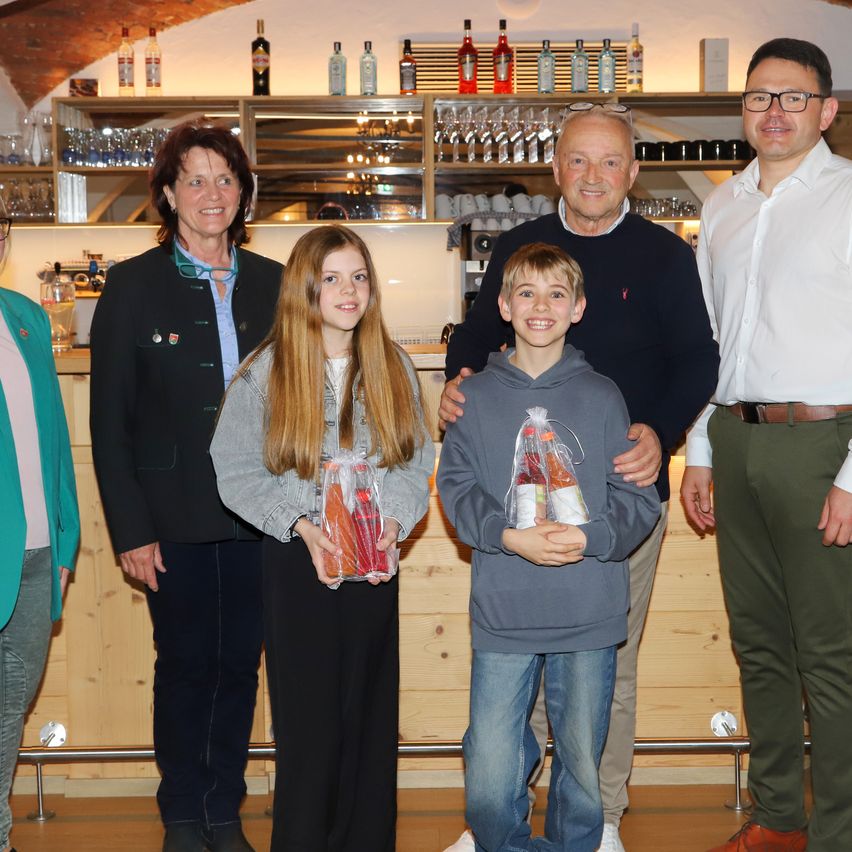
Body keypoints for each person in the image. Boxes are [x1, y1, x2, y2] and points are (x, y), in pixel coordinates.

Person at [441, 104, 718, 852]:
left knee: (605, 669)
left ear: (631, 172)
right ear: (556, 167)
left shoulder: (663, 255)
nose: (593, 175)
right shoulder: (518, 249)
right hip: (519, 503)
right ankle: (502, 818)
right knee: (519, 679)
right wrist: (456, 382)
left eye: (609, 162)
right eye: (578, 160)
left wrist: (660, 433)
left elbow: (698, 359)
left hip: (622, 496)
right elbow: (470, 339)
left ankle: (603, 820)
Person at [89, 121, 283, 852]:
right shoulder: (132, 285)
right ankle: (181, 815)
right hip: (171, 516)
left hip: (262, 513)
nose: (212, 193)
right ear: (168, 194)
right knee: (186, 666)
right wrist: (131, 529)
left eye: (226, 179)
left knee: (241, 666)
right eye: (195, 179)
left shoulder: (274, 281)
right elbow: (111, 423)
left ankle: (223, 810)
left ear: (244, 193)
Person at [210, 225, 434, 851]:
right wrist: (303, 526)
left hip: (374, 560)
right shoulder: (265, 374)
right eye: (331, 278)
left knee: (367, 714)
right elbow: (233, 468)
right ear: (303, 290)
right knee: (309, 725)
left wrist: (393, 525)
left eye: (358, 276)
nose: (348, 290)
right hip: (297, 561)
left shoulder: (393, 367)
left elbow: (417, 460)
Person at [681, 38, 852, 852]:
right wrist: (703, 453)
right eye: (758, 97)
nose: (774, 111)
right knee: (758, 643)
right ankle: (780, 817)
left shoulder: (851, 196)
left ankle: (839, 830)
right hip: (733, 435)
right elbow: (709, 342)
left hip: (823, 443)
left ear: (827, 109)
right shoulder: (722, 207)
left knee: (831, 655)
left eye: (792, 96)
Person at [437, 242, 660, 851]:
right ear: (504, 305)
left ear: (579, 307)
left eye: (557, 294)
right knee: (489, 764)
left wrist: (590, 540)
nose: (542, 306)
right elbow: (455, 486)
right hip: (505, 609)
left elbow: (636, 498)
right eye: (527, 294)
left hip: (587, 610)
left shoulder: (603, 396)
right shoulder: (474, 397)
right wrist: (506, 535)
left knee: (583, 767)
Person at [0, 206, 80, 852]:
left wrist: (64, 537)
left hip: (33, 556)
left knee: (9, 709)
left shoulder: (25, 317)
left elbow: (51, 440)